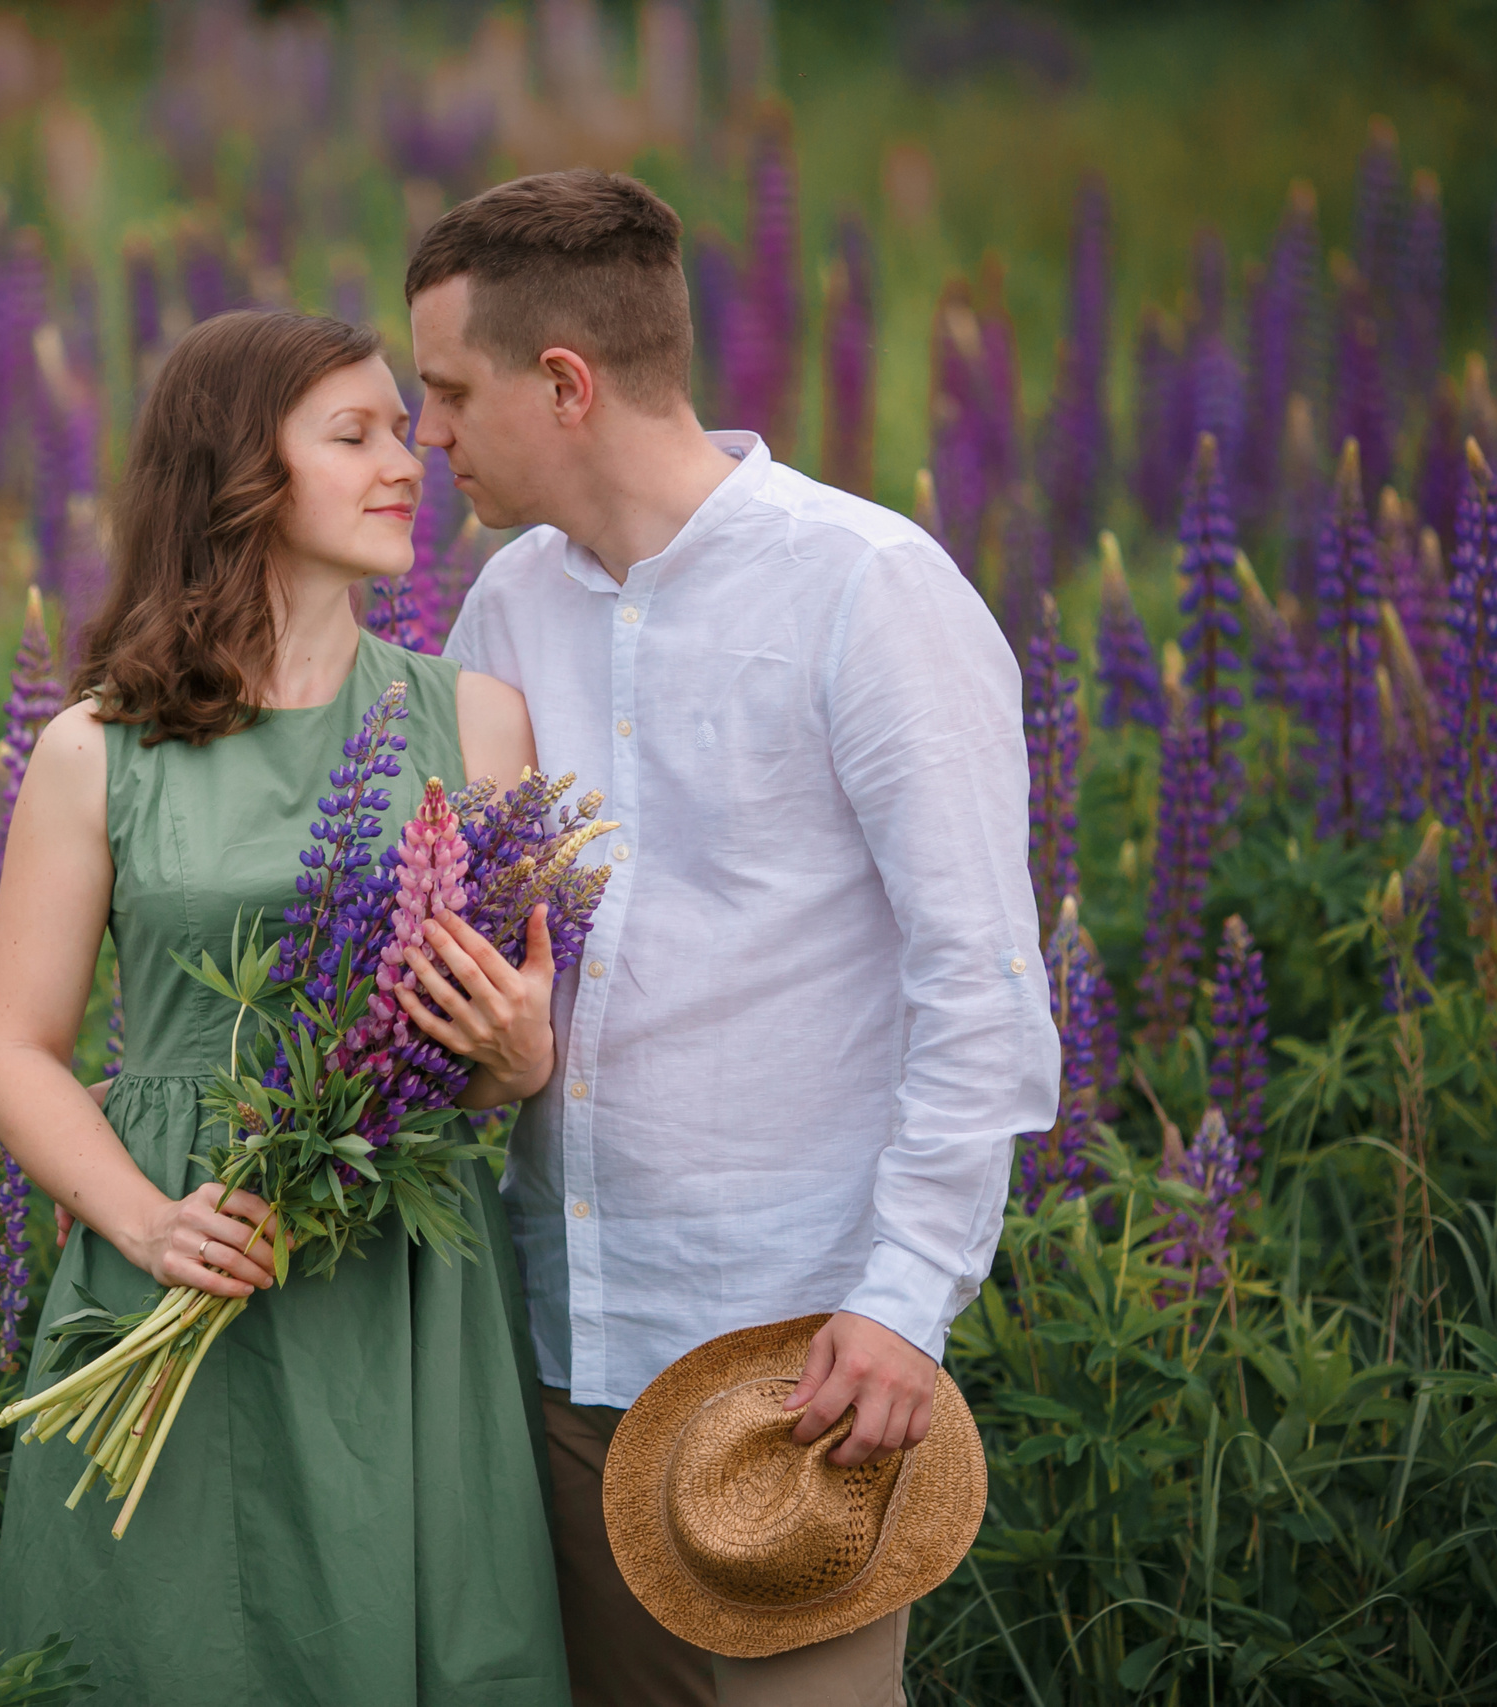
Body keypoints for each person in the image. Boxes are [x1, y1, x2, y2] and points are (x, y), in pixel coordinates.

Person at [404, 170, 1060, 1705]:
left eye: (447, 391)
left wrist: (905, 1303)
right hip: (560, 1348)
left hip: (800, 1371)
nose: (428, 435)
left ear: (561, 384)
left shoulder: (867, 589)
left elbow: (983, 983)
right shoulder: (503, 611)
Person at [0, 308, 572, 1703]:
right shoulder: (96, 748)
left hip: (393, 1264)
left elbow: (494, 1044)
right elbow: (12, 1045)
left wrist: (522, 1052)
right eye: (352, 435)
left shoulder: (475, 721)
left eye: (400, 428)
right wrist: (145, 1220)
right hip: (177, 1242)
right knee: (162, 1644)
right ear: (242, 474)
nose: (408, 460)